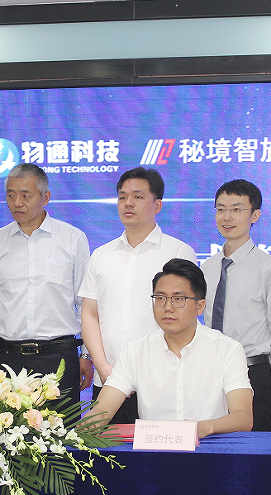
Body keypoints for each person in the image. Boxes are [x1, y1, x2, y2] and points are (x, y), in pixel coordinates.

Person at [86, 258, 253, 438]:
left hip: (209, 447)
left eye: (178, 299)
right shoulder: (136, 351)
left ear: (200, 306)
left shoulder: (228, 350)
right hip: (153, 450)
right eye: (160, 298)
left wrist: (204, 428)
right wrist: (78, 430)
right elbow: (102, 410)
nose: (167, 307)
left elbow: (243, 418)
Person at [80, 166, 196, 424]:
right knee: (106, 448)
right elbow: (89, 314)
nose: (128, 203)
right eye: (122, 197)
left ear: (158, 205)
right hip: (108, 381)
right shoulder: (101, 255)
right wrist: (102, 366)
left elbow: (186, 319)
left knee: (162, 449)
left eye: (138, 196)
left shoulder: (178, 252)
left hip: (162, 383)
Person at [0, 163, 93, 404]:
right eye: (10, 195)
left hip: (58, 359)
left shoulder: (72, 239)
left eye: (25, 195)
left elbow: (85, 304)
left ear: (45, 197)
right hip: (7, 361)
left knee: (63, 428)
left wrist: (86, 354)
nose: (17, 203)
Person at [201, 179, 271, 431]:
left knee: (255, 444)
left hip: (252, 371)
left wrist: (265, 374)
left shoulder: (268, 267)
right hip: (210, 373)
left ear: (255, 215)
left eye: (237, 209)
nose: (227, 217)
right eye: (221, 209)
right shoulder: (207, 268)